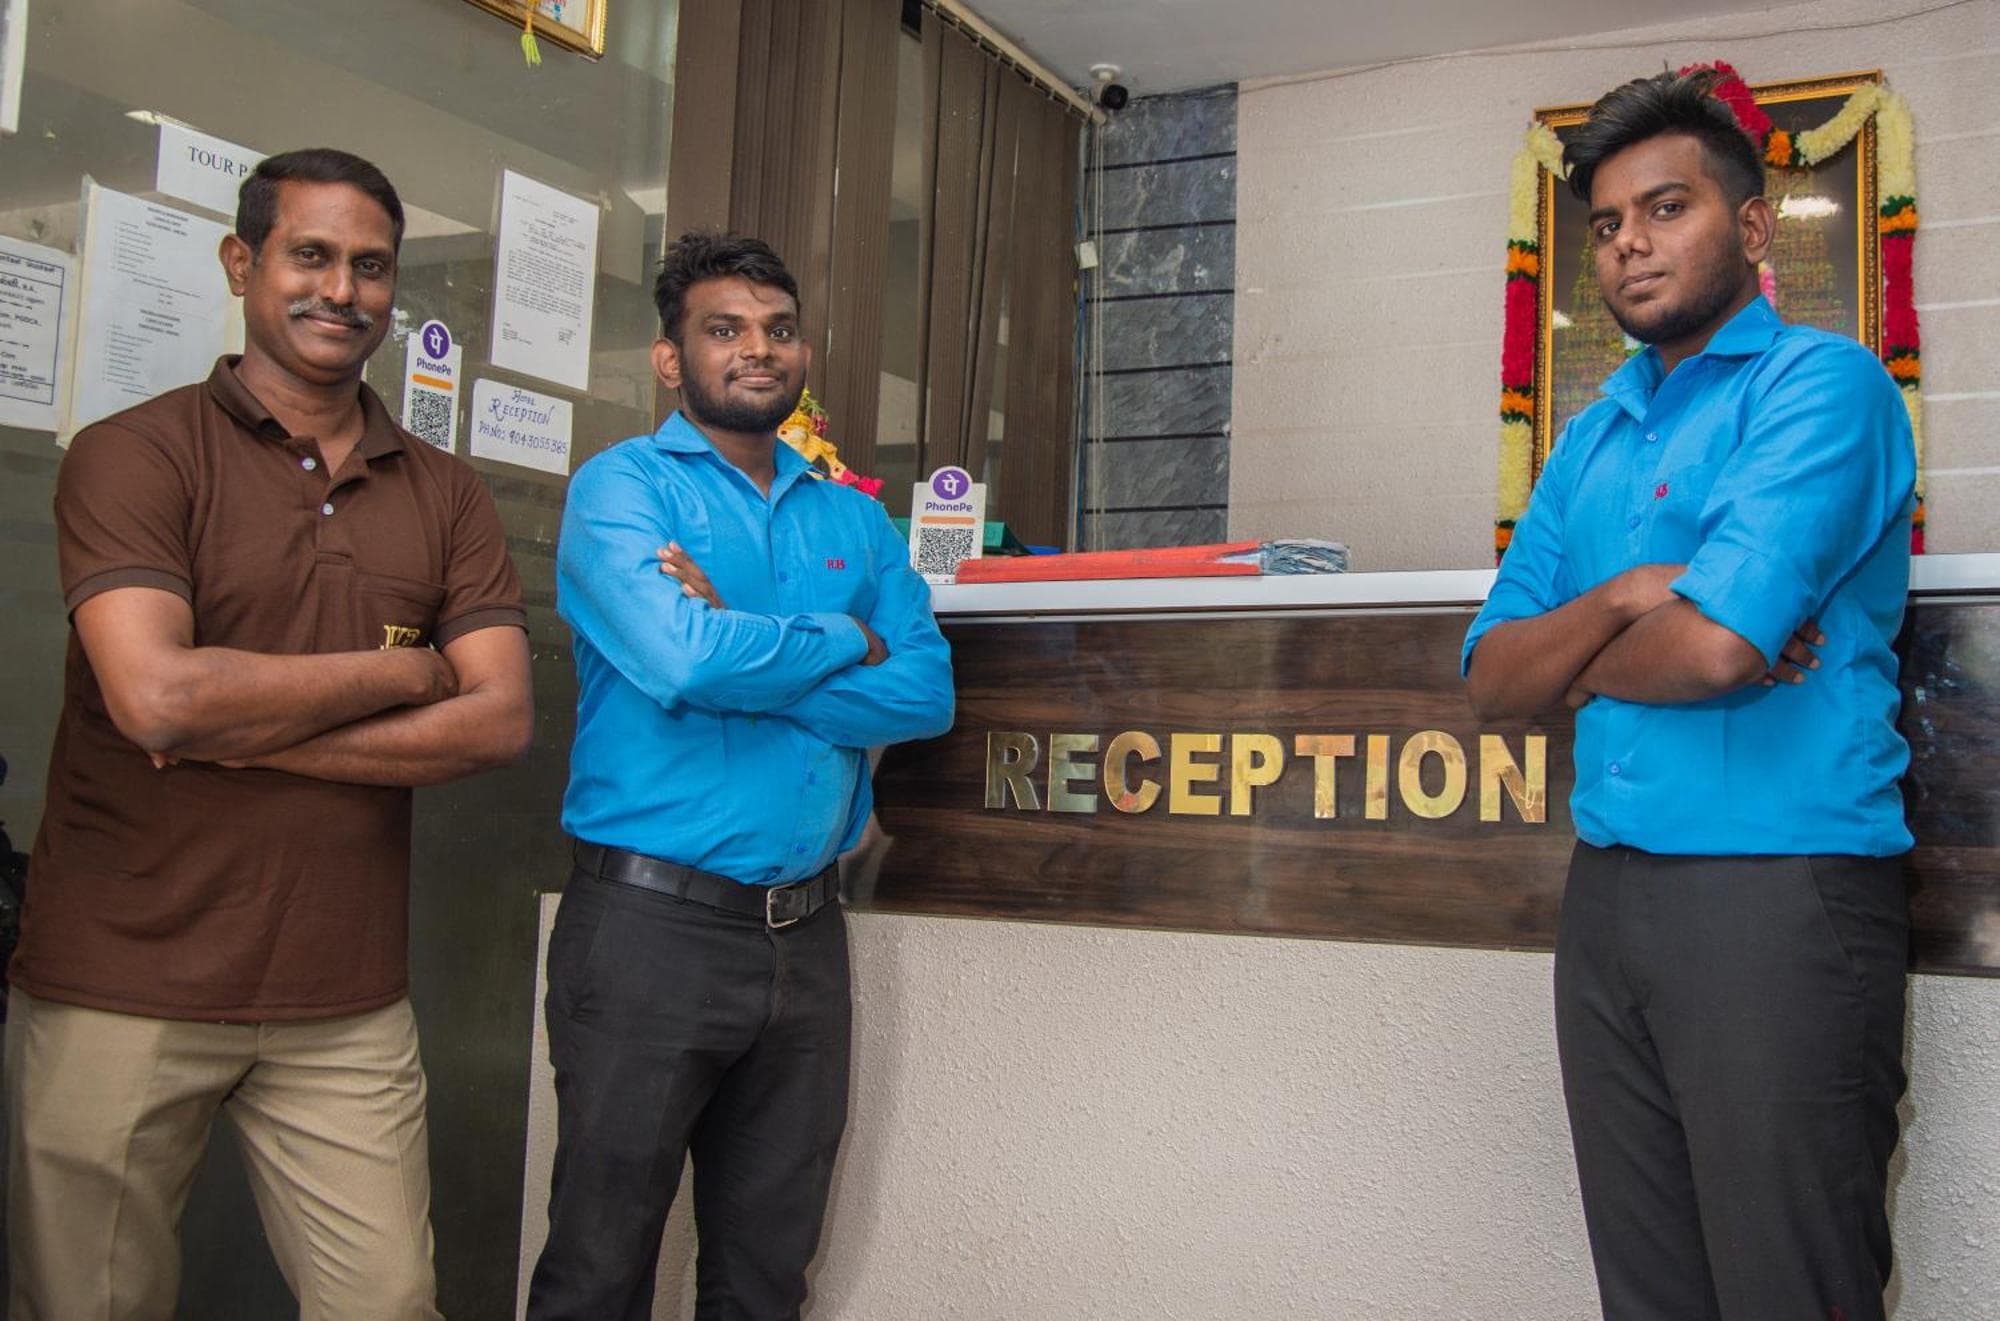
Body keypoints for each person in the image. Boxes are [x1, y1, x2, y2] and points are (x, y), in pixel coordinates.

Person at [6, 148, 533, 1319]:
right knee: (89, 1303)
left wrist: (238, 729)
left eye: (370, 267)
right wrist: (402, 670)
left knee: (389, 1300)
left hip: (342, 996)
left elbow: (497, 718)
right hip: (122, 979)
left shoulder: (445, 494)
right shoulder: (135, 452)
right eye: (311, 256)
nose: (341, 290)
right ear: (241, 263)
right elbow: (158, 697)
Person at [1464, 69, 1915, 1321]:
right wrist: (1623, 599)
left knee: (1788, 1290)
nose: (1628, 244)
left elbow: (1715, 648)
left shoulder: (1821, 388)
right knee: (1648, 1294)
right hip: (1607, 897)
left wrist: (1585, 653)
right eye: (1608, 224)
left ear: (1751, 226)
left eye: (1665, 208)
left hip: (1778, 896)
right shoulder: (1588, 437)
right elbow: (1491, 679)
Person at [528, 231, 953, 1321]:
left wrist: (742, 648)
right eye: (725, 330)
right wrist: (839, 638)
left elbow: (924, 693)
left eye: (778, 329)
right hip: (648, 932)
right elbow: (680, 659)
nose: (758, 349)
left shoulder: (851, 516)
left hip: (806, 941)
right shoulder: (622, 490)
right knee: (598, 1268)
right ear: (671, 359)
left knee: (766, 1276)